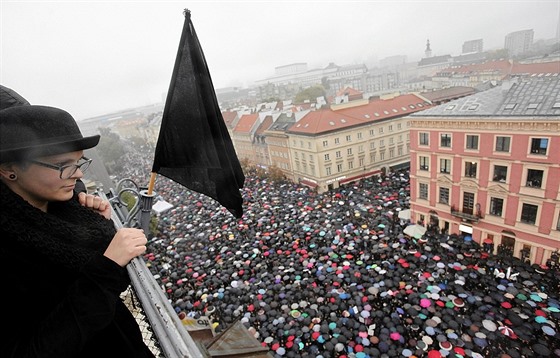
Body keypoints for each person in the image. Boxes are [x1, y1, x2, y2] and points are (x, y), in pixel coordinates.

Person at [0, 104, 155, 357]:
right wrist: (107, 268)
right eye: (64, 164)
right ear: (8, 169)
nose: (79, 173)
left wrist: (94, 223)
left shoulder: (69, 209)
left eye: (79, 161)